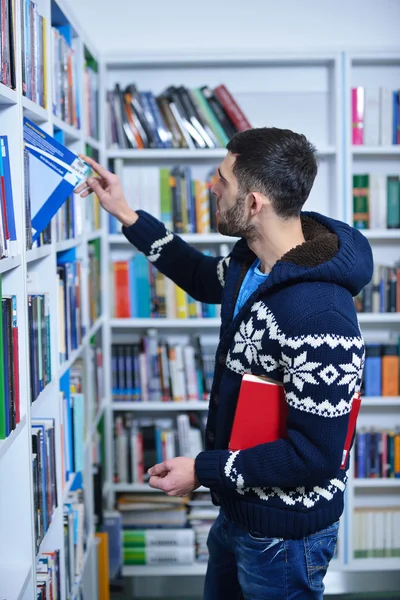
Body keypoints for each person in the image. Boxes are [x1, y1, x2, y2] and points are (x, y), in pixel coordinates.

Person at [76, 127, 373, 600]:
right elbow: (198, 275)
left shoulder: (320, 316)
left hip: (285, 536)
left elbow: (315, 456)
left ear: (254, 203)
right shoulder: (250, 262)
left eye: (221, 179)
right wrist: (127, 215)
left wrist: (203, 471)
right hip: (239, 512)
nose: (210, 188)